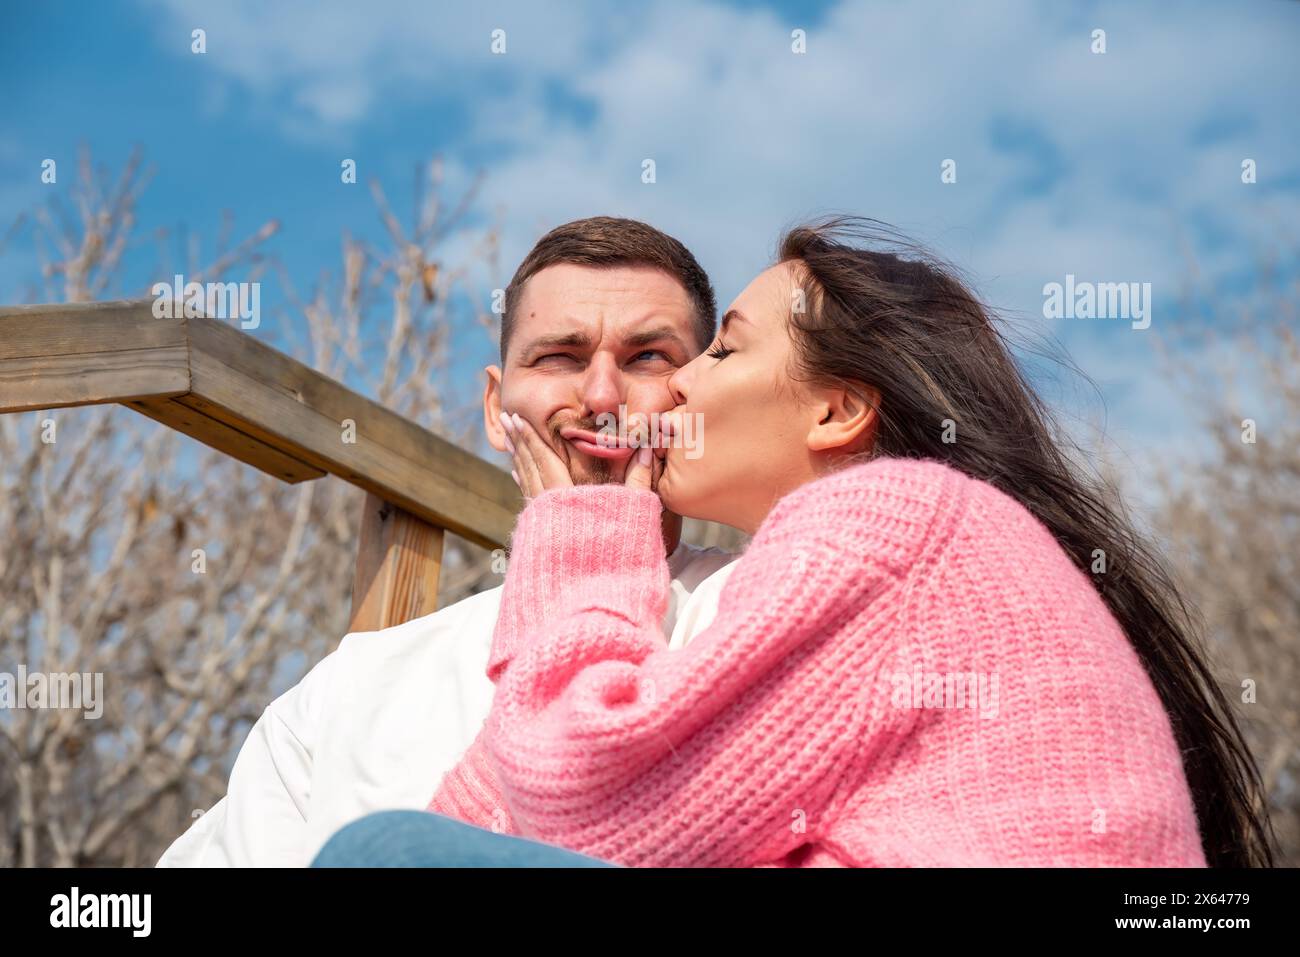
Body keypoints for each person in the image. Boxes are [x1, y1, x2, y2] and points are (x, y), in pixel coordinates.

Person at [326, 216, 1274, 867]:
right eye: (565, 358)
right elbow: (518, 803)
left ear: (838, 408)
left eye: (721, 350)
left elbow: (587, 804)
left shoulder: (897, 527)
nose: (671, 391)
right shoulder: (885, 559)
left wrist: (585, 531)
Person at [157, 217, 740, 867]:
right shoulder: (354, 686)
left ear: (700, 399)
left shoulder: (765, 616)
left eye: (648, 357)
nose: (601, 394)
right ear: (496, 407)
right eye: (559, 356)